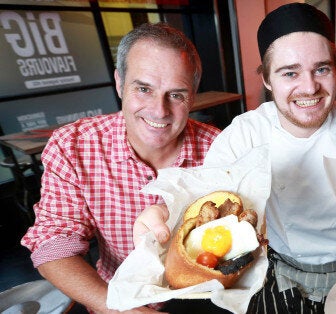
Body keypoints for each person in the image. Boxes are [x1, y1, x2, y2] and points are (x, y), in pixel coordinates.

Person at [134, 3, 336, 313]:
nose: (309, 87)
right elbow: (206, 197)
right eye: (290, 72)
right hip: (274, 269)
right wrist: (164, 210)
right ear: (268, 80)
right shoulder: (244, 133)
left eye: (322, 69)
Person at [21, 23, 221, 313]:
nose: (159, 110)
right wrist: (120, 309)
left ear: (193, 94)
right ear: (119, 82)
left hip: (204, 299)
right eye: (143, 89)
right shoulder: (74, 146)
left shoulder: (219, 148)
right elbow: (53, 244)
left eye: (176, 94)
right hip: (113, 298)